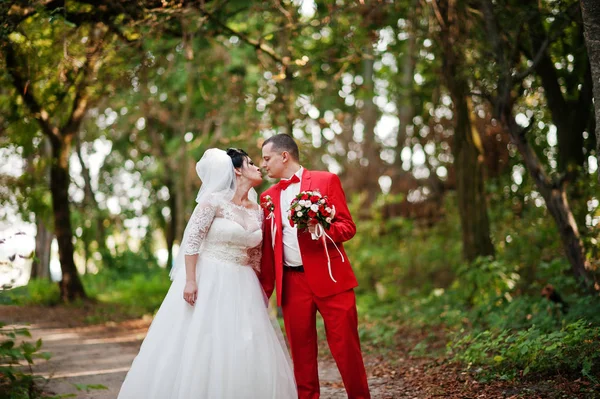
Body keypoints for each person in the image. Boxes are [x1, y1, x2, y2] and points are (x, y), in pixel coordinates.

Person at [118, 148, 296, 399]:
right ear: (236, 169)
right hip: (210, 276)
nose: (259, 167)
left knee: (244, 344)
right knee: (204, 340)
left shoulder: (258, 210)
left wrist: (259, 291)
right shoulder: (213, 202)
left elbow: (256, 255)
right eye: (251, 163)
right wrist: (190, 280)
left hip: (243, 282)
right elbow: (191, 241)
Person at [259, 134, 371, 399]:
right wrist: (263, 291)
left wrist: (322, 228)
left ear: (284, 156)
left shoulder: (326, 181)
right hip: (292, 284)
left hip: (332, 280)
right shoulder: (267, 197)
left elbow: (348, 227)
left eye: (267, 158)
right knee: (301, 355)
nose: (263, 165)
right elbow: (266, 250)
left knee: (347, 350)